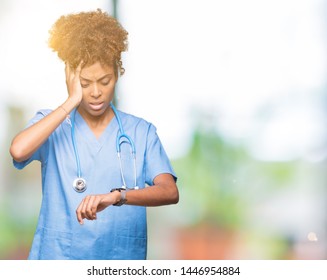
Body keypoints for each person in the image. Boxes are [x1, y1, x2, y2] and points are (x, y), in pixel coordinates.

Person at [9, 9, 179, 260]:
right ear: (71, 78)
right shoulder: (52, 124)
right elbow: (18, 150)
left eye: (105, 80)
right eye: (86, 84)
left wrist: (117, 197)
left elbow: (169, 192)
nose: (96, 92)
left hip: (118, 260)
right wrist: (71, 101)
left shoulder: (140, 132)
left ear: (118, 74)